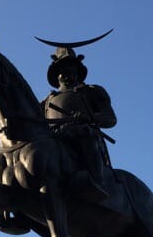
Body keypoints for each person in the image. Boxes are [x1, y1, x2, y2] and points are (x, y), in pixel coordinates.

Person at [41, 45, 117, 202]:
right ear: (56, 74)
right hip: (54, 140)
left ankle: (96, 183)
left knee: (84, 133)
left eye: (72, 68)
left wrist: (89, 118)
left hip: (82, 137)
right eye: (64, 69)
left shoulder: (92, 91)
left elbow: (110, 118)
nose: (68, 72)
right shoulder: (46, 101)